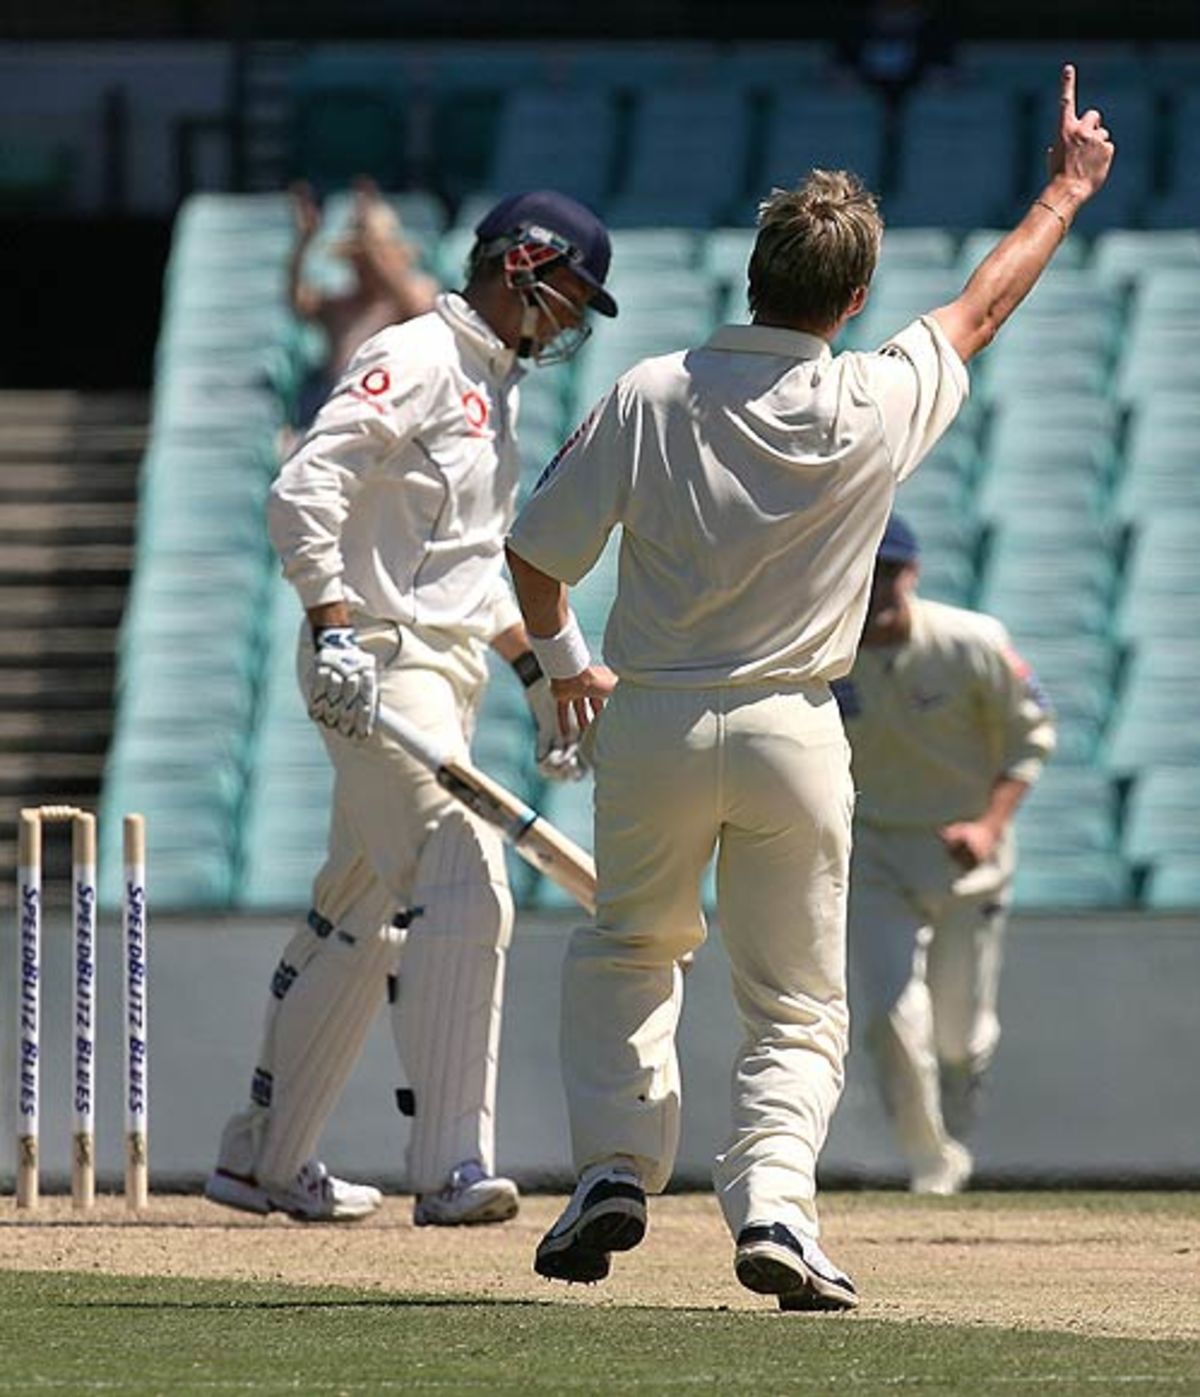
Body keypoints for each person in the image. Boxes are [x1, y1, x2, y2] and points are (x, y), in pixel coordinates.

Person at [503, 64, 1111, 1308]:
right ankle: (774, 1203)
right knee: (794, 998)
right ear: (853, 297)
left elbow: (532, 554)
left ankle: (616, 1168)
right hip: (795, 726)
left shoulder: (653, 388)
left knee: (631, 947)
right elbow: (983, 311)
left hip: (656, 716)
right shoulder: (875, 394)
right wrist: (1063, 190)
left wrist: (567, 667)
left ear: (754, 273)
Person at [205, 190, 619, 1224]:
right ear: (525, 264)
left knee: (359, 912)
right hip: (375, 664)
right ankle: (451, 1166)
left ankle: (263, 1158)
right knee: (464, 876)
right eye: (572, 294)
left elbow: (472, 572)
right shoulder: (418, 355)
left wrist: (541, 678)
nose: (573, 321)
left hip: (441, 673)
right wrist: (333, 623)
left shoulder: (493, 384)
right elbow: (304, 488)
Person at [836, 515, 1056, 1195]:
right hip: (874, 850)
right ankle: (932, 1165)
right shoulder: (825, 652)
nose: (876, 589)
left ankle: (956, 1118)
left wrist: (988, 826)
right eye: (863, 572)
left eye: (888, 572)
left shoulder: (973, 642)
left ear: (913, 573)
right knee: (889, 1017)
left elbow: (1031, 739)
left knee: (959, 1034)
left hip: (967, 856)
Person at [288, 177, 440, 426]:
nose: (364, 267)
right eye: (358, 259)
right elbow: (297, 302)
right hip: (337, 410)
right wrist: (303, 244)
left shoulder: (416, 294)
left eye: (371, 258)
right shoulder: (340, 305)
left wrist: (374, 248)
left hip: (396, 414)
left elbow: (416, 308)